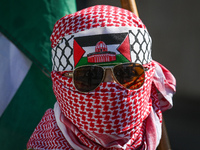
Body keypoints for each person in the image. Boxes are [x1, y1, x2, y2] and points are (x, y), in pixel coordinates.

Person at [27, 5, 176, 150]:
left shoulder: (151, 135)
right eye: (89, 76)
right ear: (60, 83)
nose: (110, 89)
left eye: (127, 74)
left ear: (148, 75)